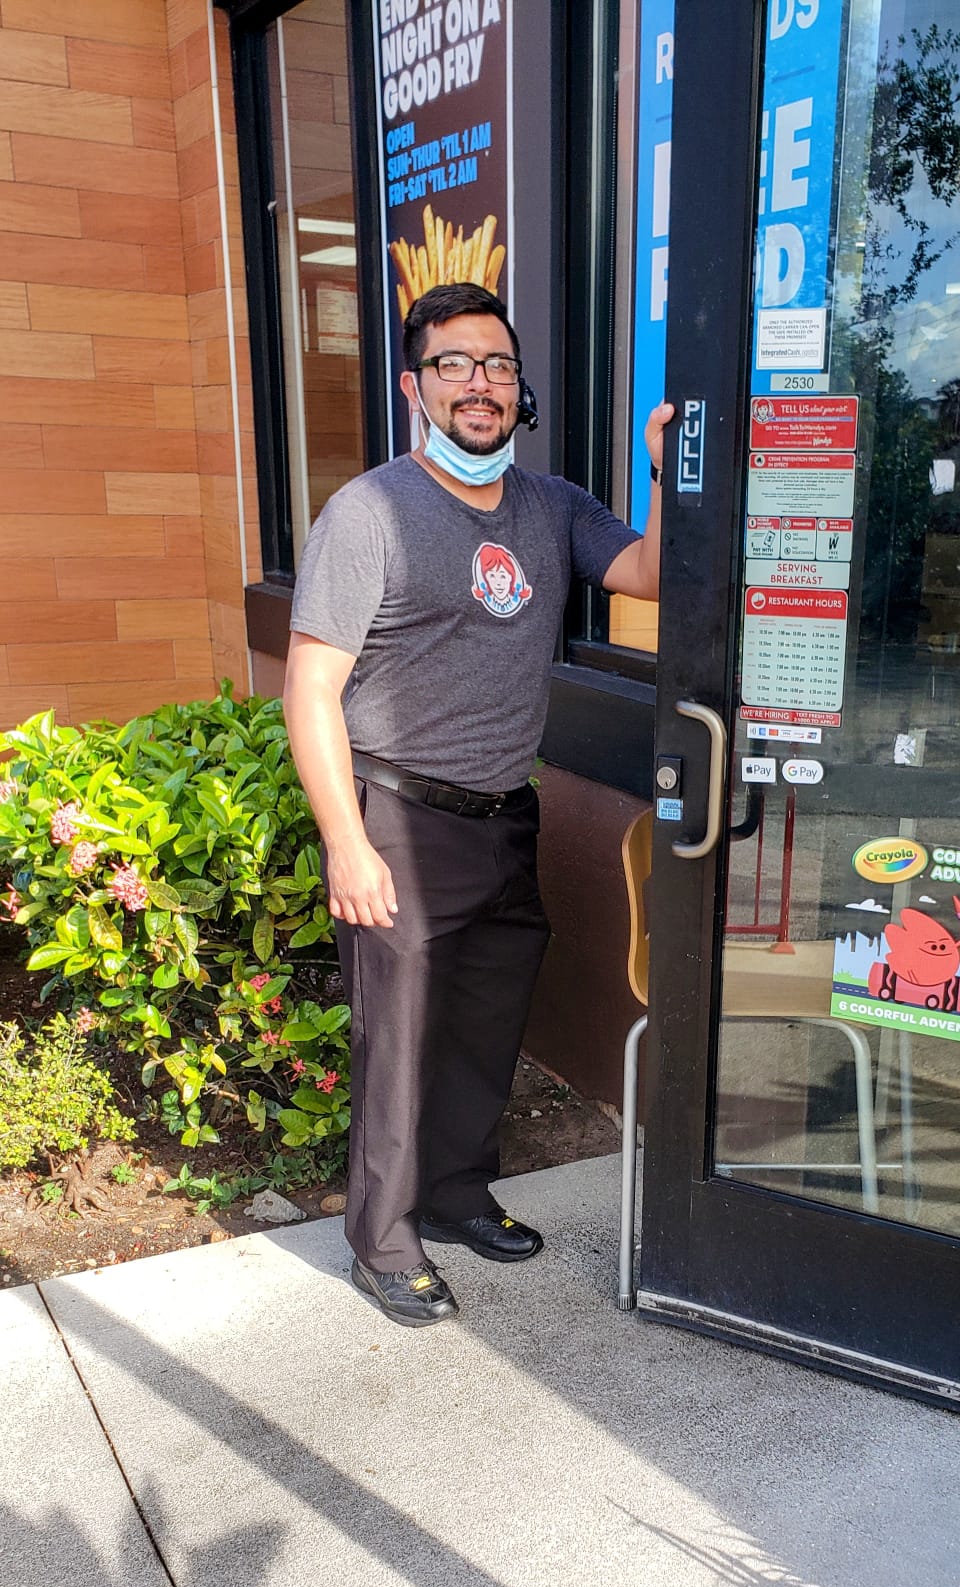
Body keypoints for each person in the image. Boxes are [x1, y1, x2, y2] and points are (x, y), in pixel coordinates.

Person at [283, 281, 672, 1327]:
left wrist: (664, 468)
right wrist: (346, 842)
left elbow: (649, 572)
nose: (479, 383)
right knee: (399, 1043)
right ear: (416, 387)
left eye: (497, 364)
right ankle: (383, 1240)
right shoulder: (370, 512)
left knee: (485, 1027)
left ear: (518, 388)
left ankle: (456, 1197)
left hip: (505, 816)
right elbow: (310, 688)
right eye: (453, 364)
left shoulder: (551, 506)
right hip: (400, 820)